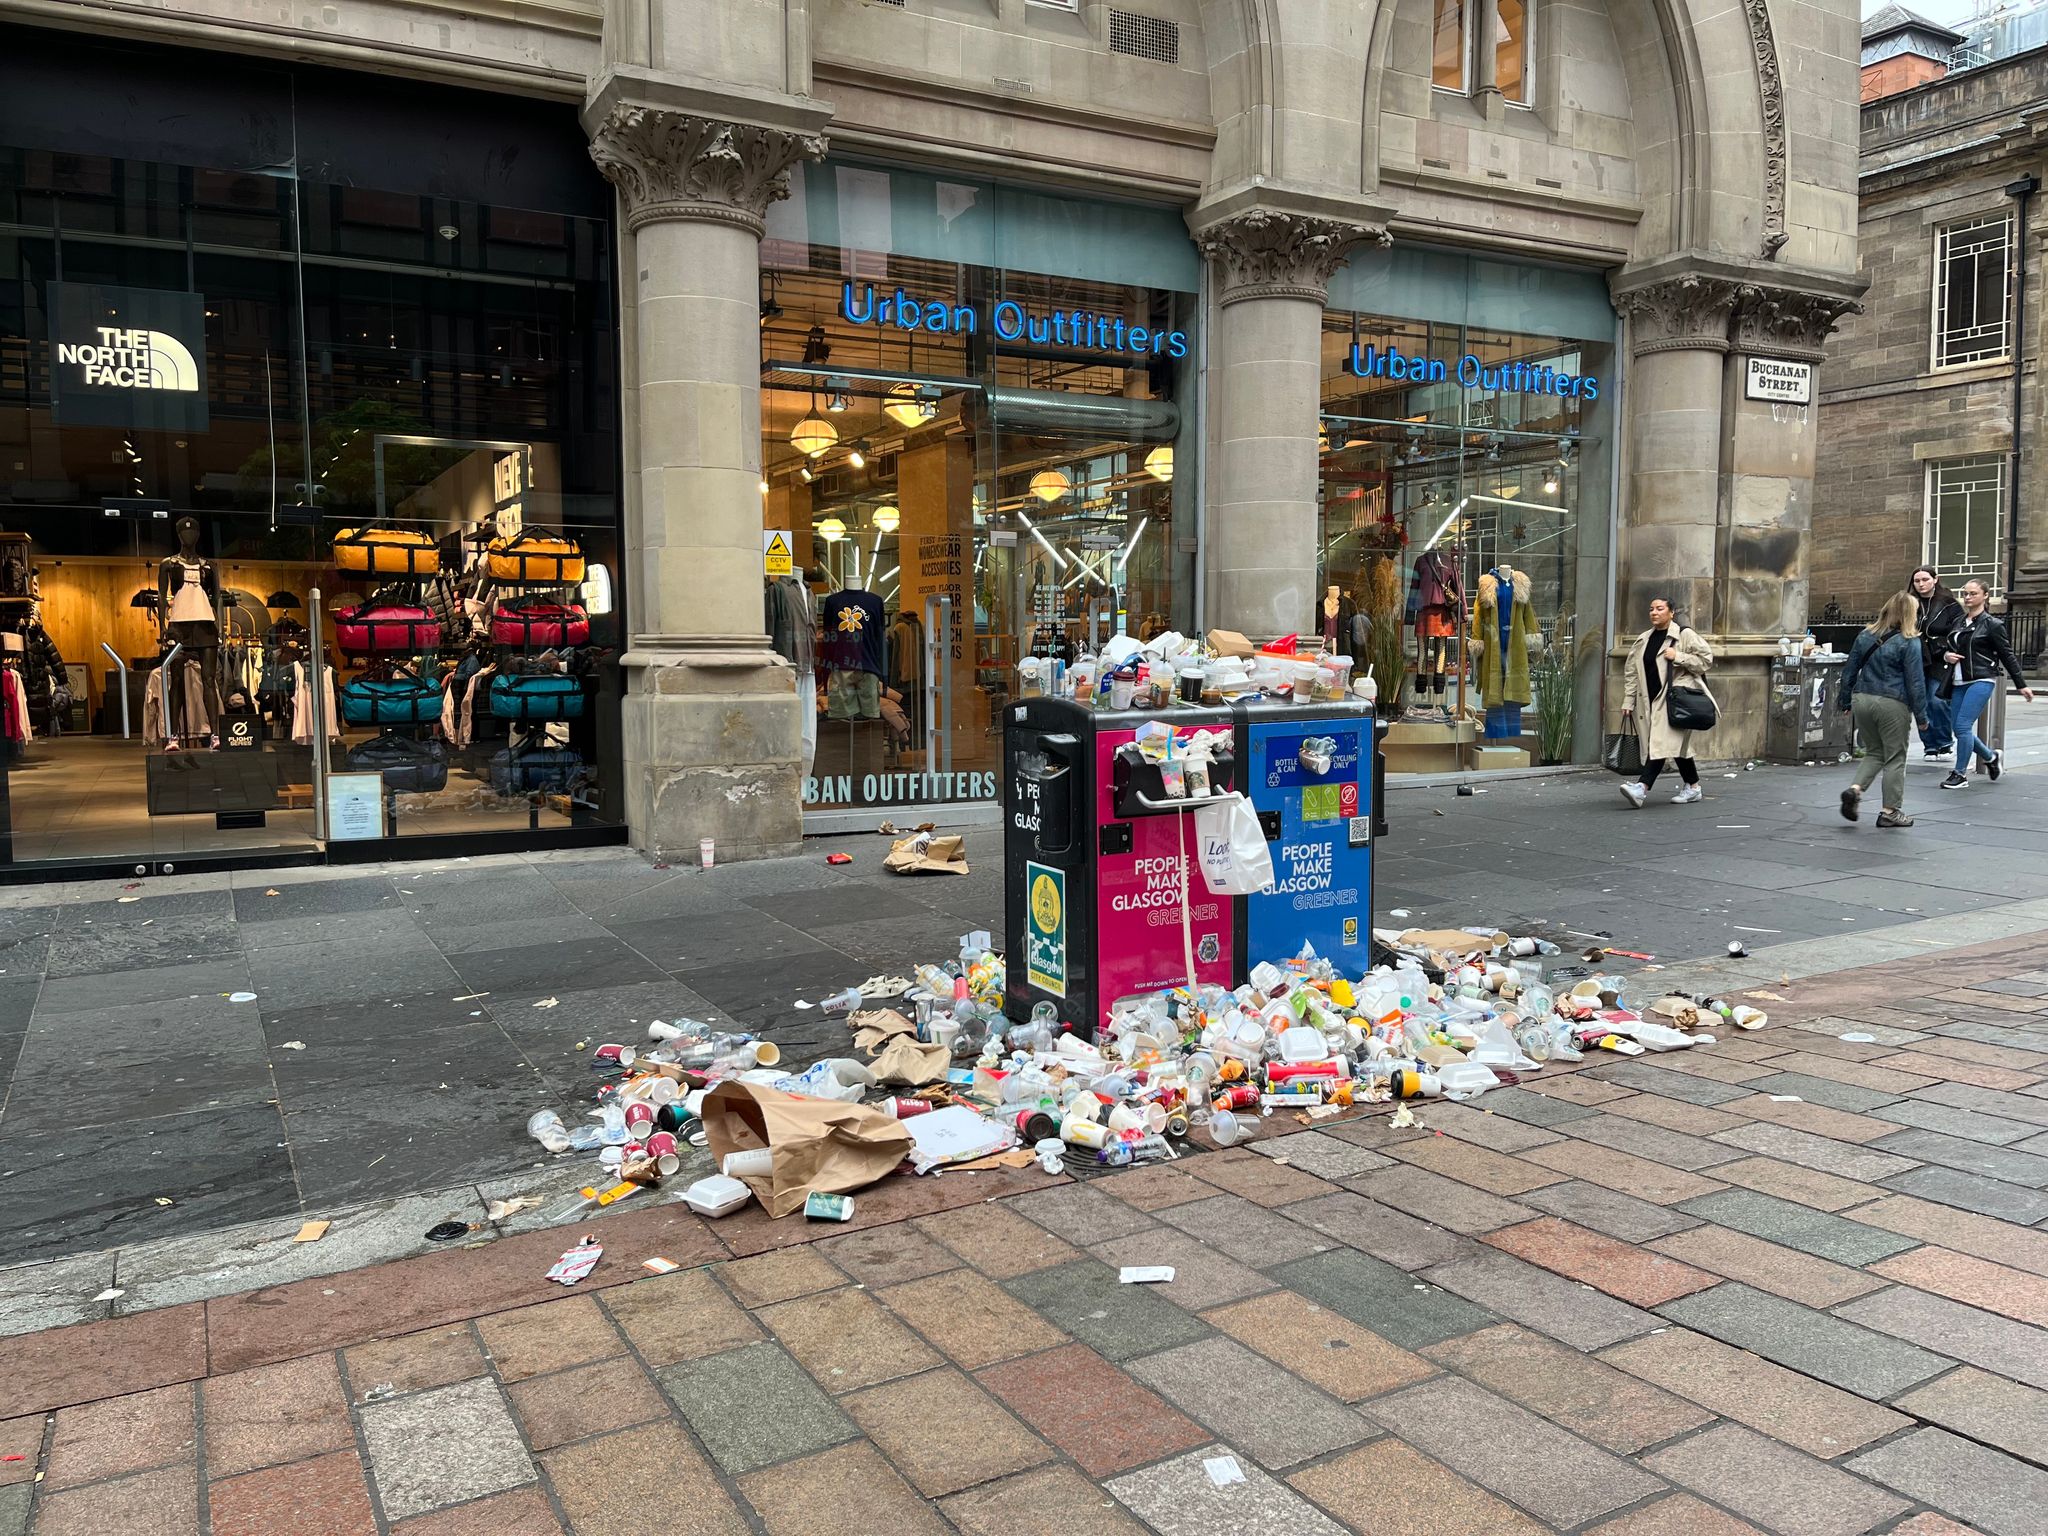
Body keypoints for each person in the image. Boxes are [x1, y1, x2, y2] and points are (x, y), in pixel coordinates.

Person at [1838, 590, 1929, 828]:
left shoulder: (1865, 635)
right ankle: (1890, 811)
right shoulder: (1909, 641)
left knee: (1874, 752)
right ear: (1910, 614)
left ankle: (1854, 790)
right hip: (1891, 701)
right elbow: (1915, 682)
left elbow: (1849, 670)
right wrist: (1922, 716)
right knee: (1895, 757)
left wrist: (1845, 701)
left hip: (1862, 699)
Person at [1618, 597, 1716, 808]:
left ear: (1671, 613)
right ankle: (1693, 787)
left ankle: (1641, 789)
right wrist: (1628, 700)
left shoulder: (1684, 635)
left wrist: (1679, 656)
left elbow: (1706, 659)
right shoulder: (1643, 639)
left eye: (1660, 609)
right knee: (1676, 747)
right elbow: (1632, 672)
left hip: (1672, 699)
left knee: (1660, 743)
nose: (1654, 612)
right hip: (1648, 702)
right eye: (1651, 609)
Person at [1940, 577, 2035, 790]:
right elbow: (1947, 648)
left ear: (1985, 596)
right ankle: (1991, 758)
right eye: (1965, 593)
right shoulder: (1958, 622)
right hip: (1958, 679)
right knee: (1959, 729)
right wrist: (1947, 655)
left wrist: (2021, 684)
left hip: (1982, 678)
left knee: (1963, 726)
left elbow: (2007, 655)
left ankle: (1960, 774)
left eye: (1973, 593)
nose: (1968, 597)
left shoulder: (1993, 624)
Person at [1910, 566, 1961, 759]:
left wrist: (1946, 649)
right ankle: (1929, 745)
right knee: (1920, 703)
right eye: (1917, 581)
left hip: (1940, 659)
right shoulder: (1909, 603)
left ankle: (1944, 743)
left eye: (1925, 579)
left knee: (1937, 700)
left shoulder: (1949, 605)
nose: (1921, 584)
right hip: (1916, 659)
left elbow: (1957, 630)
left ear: (1935, 579)